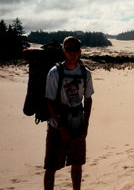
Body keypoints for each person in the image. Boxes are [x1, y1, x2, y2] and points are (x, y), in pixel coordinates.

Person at [43, 36, 94, 190]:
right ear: (64, 51)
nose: (72, 53)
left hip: (77, 123)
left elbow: (88, 99)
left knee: (77, 163)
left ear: (80, 51)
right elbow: (49, 101)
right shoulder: (54, 73)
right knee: (51, 166)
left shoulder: (86, 73)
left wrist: (85, 126)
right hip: (56, 124)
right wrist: (61, 127)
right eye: (68, 49)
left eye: (75, 50)